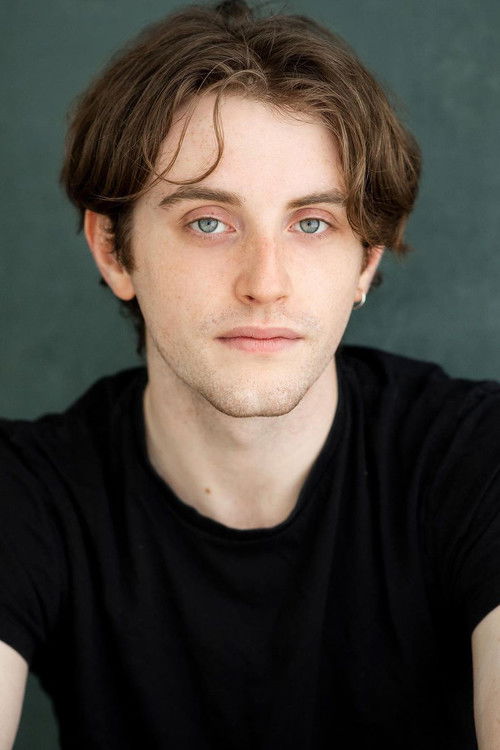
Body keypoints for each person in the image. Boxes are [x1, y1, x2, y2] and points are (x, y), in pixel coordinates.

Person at [1, 0, 499, 747]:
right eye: (209, 222)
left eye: (312, 223)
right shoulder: (27, 496)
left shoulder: (478, 459)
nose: (265, 283)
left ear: (365, 262)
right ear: (113, 249)